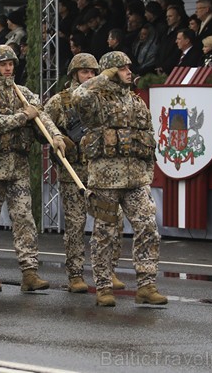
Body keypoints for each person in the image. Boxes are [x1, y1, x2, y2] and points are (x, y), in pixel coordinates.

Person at [0, 45, 65, 293]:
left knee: (24, 219)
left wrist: (55, 137)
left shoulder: (23, 93)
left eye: (11, 63)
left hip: (18, 167)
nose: (9, 68)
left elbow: (42, 118)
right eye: (3, 64)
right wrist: (24, 116)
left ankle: (29, 271)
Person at [73, 51, 167, 307]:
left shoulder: (137, 102)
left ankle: (147, 285)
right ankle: (103, 287)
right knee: (105, 234)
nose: (129, 71)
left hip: (135, 180)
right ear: (111, 72)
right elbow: (78, 96)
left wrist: (148, 174)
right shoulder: (96, 101)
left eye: (129, 67)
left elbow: (147, 137)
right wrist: (102, 78)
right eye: (122, 68)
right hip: (105, 179)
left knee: (148, 227)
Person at [43, 54, 125, 293]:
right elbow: (43, 123)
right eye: (84, 72)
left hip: (101, 172)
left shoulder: (102, 98)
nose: (89, 76)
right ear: (74, 74)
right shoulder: (61, 101)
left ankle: (108, 270)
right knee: (76, 225)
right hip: (74, 173)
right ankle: (76, 275)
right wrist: (58, 137)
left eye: (92, 72)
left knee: (113, 219)